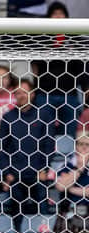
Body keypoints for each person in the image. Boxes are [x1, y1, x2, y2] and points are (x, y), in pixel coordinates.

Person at [0, 79, 54, 229]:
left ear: (33, 94)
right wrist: (7, 172)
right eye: (18, 93)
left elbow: (49, 145)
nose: (21, 95)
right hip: (16, 174)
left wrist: (44, 168)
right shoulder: (8, 117)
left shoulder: (44, 115)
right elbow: (2, 148)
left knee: (42, 213)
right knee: (17, 214)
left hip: (38, 173)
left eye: (25, 92)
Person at [31, 2, 89, 136]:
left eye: (61, 13)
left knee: (70, 131)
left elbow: (82, 69)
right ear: (49, 17)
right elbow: (34, 68)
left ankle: (68, 155)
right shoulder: (40, 40)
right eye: (54, 14)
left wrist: (86, 87)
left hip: (69, 94)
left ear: (66, 17)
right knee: (43, 131)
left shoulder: (75, 40)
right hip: (44, 94)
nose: (58, 16)